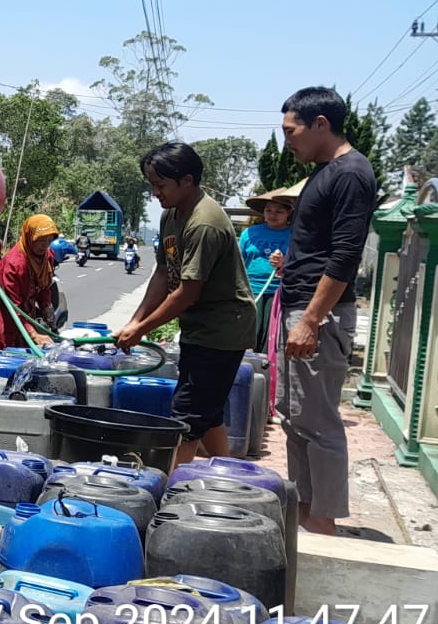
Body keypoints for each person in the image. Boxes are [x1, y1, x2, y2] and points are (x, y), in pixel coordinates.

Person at [276, 87, 378, 535]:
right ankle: (303, 511)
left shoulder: (351, 173)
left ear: (321, 124)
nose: (287, 141)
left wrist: (311, 319)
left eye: (291, 131)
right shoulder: (324, 173)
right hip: (300, 305)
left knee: (318, 422)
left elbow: (344, 255)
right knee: (295, 418)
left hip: (318, 314)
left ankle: (322, 521)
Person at [116, 142, 255, 467]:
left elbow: (187, 292)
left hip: (222, 329)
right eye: (152, 184)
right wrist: (135, 322)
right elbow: (163, 275)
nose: (155, 192)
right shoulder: (171, 215)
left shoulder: (203, 223)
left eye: (160, 185)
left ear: (188, 180)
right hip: (198, 327)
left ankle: (169, 493)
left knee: (187, 415)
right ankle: (232, 475)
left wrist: (142, 330)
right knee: (208, 411)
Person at [0, 215, 61, 350]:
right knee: (7, 353)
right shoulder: (14, 264)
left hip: (27, 313)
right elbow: (13, 306)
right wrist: (33, 334)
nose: (45, 246)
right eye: (41, 241)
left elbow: (44, 286)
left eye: (49, 241)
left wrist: (47, 308)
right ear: (29, 237)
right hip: (8, 314)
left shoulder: (47, 256)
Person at [240, 188, 295, 352]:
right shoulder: (249, 233)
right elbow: (238, 261)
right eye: (268, 210)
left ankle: (266, 369)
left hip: (277, 291)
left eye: (279, 211)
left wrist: (284, 264)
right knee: (248, 335)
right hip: (251, 291)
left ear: (289, 213)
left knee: (270, 335)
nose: (273, 214)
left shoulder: (294, 235)